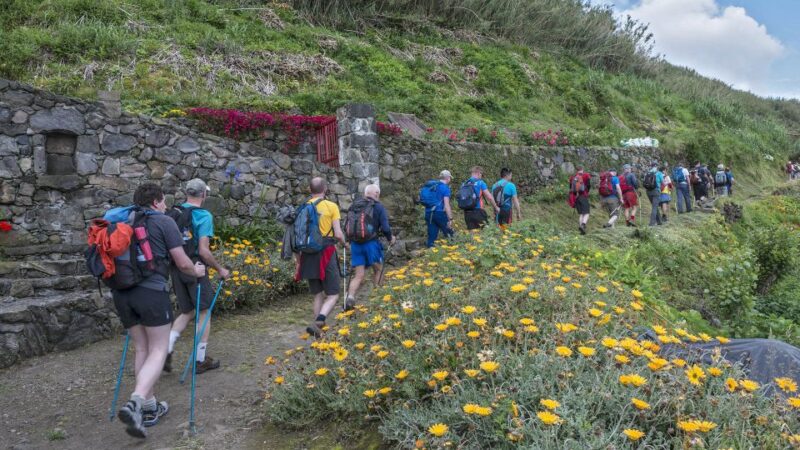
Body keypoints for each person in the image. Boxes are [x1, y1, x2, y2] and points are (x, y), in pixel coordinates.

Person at [114, 183, 206, 438]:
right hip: (151, 293)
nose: (165, 206)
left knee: (142, 348)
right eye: (163, 201)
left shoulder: (125, 220)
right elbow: (182, 261)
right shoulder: (163, 222)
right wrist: (196, 271)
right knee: (157, 348)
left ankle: (150, 408)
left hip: (121, 293)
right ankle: (135, 402)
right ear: (155, 201)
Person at [165, 179, 231, 375]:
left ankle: (165, 348)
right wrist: (220, 269)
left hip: (177, 268)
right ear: (203, 195)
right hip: (196, 270)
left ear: (187, 193)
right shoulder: (203, 215)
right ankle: (201, 360)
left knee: (187, 311)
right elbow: (203, 251)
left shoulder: (173, 214)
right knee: (204, 312)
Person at [296, 177, 346, 337]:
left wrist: (297, 260)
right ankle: (320, 321)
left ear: (310, 191)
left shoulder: (304, 207)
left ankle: (317, 331)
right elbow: (338, 234)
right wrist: (345, 244)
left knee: (318, 293)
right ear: (325, 189)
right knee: (333, 294)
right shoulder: (331, 206)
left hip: (308, 254)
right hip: (326, 252)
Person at [344, 184, 395, 310]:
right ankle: (379, 299)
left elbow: (346, 225)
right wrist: (390, 238)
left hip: (355, 244)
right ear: (376, 194)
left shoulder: (354, 205)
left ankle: (350, 297)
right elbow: (386, 228)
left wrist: (347, 242)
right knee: (378, 269)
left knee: (359, 275)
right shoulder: (378, 207)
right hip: (371, 244)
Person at [424, 170, 455, 248]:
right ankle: (453, 252)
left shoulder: (432, 186)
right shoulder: (445, 188)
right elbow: (447, 205)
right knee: (450, 235)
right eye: (450, 178)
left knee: (432, 236)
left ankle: (430, 254)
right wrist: (450, 219)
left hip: (428, 213)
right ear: (447, 178)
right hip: (439, 213)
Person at [568, 167, 592, 234]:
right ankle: (583, 225)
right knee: (586, 213)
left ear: (576, 171)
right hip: (583, 196)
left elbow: (570, 188)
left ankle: (581, 230)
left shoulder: (573, 178)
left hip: (575, 197)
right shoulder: (585, 175)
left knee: (581, 214)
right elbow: (589, 185)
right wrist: (587, 191)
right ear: (582, 170)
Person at [645, 162, 664, 227]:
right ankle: (652, 223)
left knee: (654, 206)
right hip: (656, 191)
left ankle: (659, 221)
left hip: (648, 191)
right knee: (654, 207)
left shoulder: (647, 173)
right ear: (656, 166)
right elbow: (663, 182)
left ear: (651, 166)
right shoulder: (659, 173)